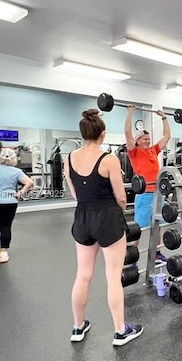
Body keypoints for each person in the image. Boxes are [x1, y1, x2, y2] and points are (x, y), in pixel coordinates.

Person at [65, 109, 143, 347]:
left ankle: (78, 328)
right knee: (112, 277)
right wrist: (118, 209)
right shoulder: (108, 159)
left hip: (83, 216)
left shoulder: (69, 158)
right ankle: (120, 332)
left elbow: (75, 192)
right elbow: (121, 197)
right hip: (107, 217)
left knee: (83, 275)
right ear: (103, 134)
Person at [124, 105, 171, 261]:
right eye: (145, 139)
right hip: (144, 195)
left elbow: (167, 136)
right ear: (137, 140)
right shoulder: (134, 151)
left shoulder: (153, 150)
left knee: (157, 225)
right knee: (139, 227)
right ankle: (132, 255)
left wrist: (164, 117)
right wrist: (130, 112)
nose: (148, 141)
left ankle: (157, 253)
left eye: (149, 139)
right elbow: (127, 133)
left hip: (158, 193)